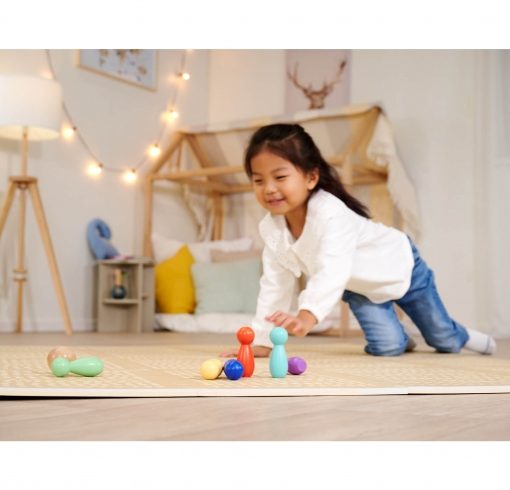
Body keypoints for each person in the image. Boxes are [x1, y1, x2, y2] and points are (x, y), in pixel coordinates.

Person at [222, 123, 496, 358]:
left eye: (280, 177)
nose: (269, 188)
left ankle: (464, 335)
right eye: (258, 181)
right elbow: (274, 283)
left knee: (443, 339)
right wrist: (263, 341)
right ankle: (399, 337)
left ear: (311, 177)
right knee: (387, 348)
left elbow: (332, 268)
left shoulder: (330, 213)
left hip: (402, 267)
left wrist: (308, 315)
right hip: (359, 287)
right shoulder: (271, 228)